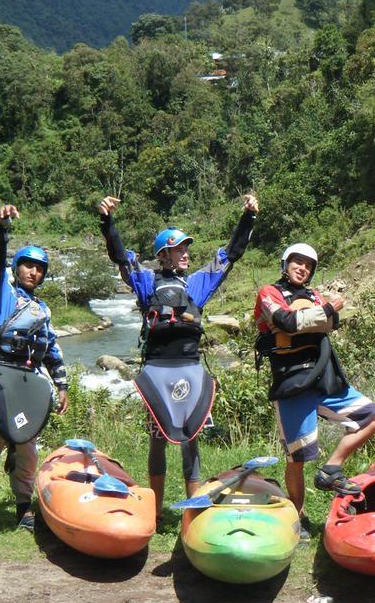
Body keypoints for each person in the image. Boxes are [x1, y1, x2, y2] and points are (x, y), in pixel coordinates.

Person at [99, 193, 258, 522]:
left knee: (191, 438)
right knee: (157, 441)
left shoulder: (198, 282)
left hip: (189, 368)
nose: (185, 253)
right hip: (157, 370)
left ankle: (194, 512)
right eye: (179, 248)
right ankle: (154, 514)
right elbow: (120, 258)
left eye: (186, 247)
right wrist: (108, 223)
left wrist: (248, 219)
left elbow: (231, 255)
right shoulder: (146, 281)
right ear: (163, 254)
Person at [254, 243, 375, 540]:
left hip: (324, 379)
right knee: (297, 458)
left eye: (308, 265)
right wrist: (323, 310)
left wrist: (318, 314)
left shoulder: (313, 295)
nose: (302, 268)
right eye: (297, 263)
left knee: (374, 417)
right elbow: (285, 321)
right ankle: (296, 518)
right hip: (291, 382)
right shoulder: (268, 293)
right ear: (285, 264)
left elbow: (329, 324)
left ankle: (331, 469)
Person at [0, 204, 70, 543]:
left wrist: (62, 383)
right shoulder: (0, 294)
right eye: (27, 265)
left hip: (28, 382)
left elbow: (51, 347)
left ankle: (23, 508)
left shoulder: (42, 309)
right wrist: (0, 229)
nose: (33, 272)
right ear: (16, 267)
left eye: (40, 268)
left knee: (27, 448)